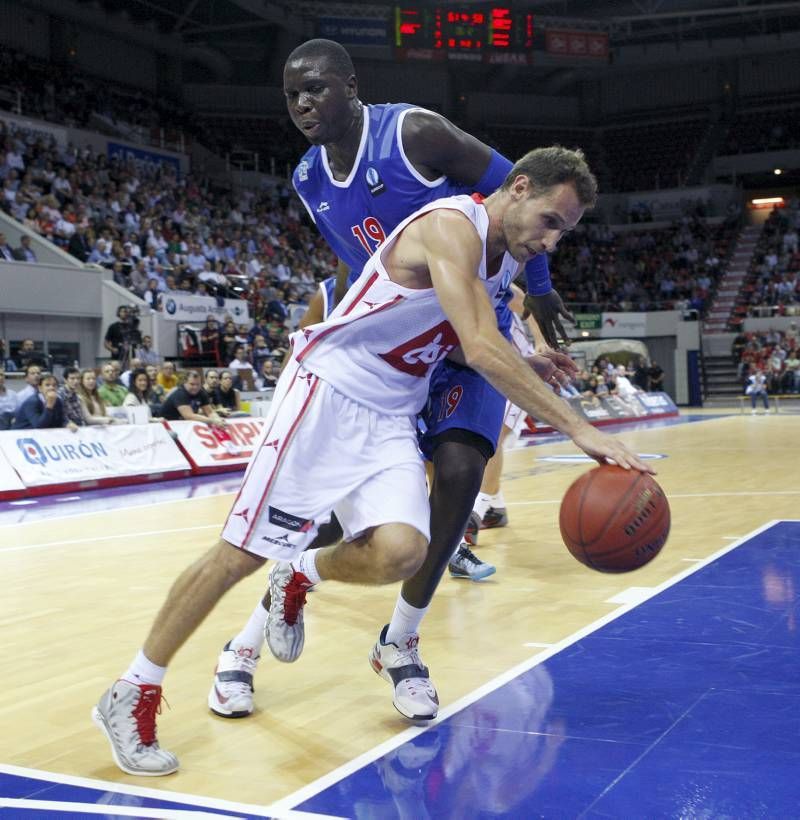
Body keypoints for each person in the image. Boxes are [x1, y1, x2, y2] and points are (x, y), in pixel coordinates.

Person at [93, 146, 653, 776]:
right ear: (518, 188)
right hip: (330, 393)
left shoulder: (502, 263)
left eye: (565, 232)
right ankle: (132, 689)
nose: (552, 240)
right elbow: (477, 343)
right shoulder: (449, 228)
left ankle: (301, 573)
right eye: (552, 221)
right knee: (239, 554)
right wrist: (580, 427)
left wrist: (528, 360)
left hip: (390, 413)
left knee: (402, 551)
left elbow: (460, 342)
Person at [209, 38, 582, 721]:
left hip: (472, 328)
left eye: (317, 87)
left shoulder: (415, 133)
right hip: (391, 341)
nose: (303, 103)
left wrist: (541, 282)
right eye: (293, 94)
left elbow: (519, 191)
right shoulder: (306, 178)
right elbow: (359, 265)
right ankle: (243, 645)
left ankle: (401, 640)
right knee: (323, 512)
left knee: (463, 468)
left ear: (353, 84)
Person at [158, 370, 228, 427]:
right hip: (166, 425)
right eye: (192, 384)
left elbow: (210, 412)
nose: (195, 387)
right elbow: (189, 416)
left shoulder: (201, 392)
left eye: (198, 384)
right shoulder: (180, 394)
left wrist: (218, 420)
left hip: (183, 424)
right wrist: (212, 421)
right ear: (185, 382)